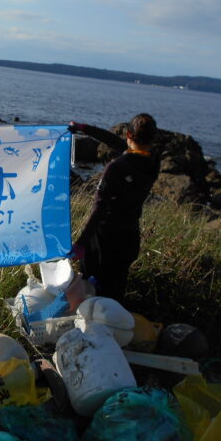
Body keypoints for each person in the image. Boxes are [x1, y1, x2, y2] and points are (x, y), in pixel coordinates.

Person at [68, 113, 159, 301]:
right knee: (114, 292)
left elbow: (99, 209)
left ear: (129, 134)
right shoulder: (153, 161)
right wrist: (86, 128)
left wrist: (80, 244)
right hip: (129, 239)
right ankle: (114, 325)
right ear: (152, 138)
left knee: (88, 291)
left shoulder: (116, 167)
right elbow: (116, 143)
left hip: (103, 241)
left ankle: (88, 327)